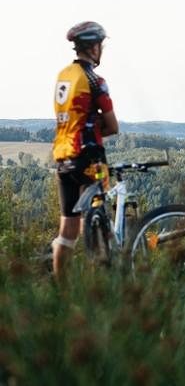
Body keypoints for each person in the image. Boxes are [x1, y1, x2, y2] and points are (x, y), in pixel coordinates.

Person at [52, 21, 119, 279]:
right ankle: (95, 293)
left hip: (63, 157)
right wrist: (97, 123)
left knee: (66, 231)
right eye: (100, 45)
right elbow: (112, 126)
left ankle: (61, 292)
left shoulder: (63, 76)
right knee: (96, 229)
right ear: (93, 47)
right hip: (90, 159)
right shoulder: (95, 80)